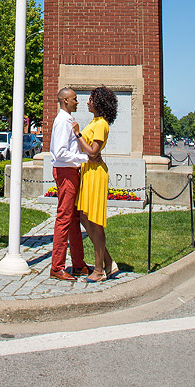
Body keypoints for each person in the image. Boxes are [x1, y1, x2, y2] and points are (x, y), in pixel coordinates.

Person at [74, 86, 119, 282]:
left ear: (99, 102)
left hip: (96, 174)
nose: (87, 102)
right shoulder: (94, 122)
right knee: (83, 217)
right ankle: (108, 261)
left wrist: (77, 134)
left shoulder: (101, 124)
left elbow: (93, 151)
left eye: (91, 99)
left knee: (95, 221)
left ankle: (99, 271)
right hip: (87, 171)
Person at [48, 87, 91, 281]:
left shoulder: (67, 121)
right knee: (64, 218)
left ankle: (78, 264)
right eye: (74, 99)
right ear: (65, 101)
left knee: (73, 219)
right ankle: (57, 267)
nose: (77, 102)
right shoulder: (62, 122)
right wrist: (84, 158)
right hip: (66, 173)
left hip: (71, 172)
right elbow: (60, 153)